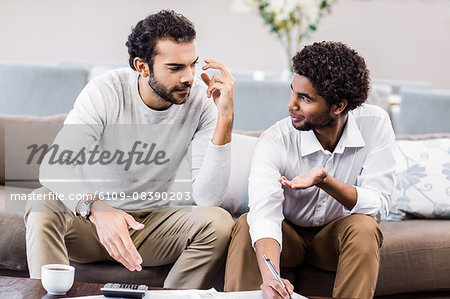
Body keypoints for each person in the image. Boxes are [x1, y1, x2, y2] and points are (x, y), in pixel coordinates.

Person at [25, 10, 235, 289]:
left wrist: (225, 120)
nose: (189, 77)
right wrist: (97, 209)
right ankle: (49, 295)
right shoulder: (105, 92)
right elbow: (53, 167)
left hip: (151, 226)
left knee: (218, 222)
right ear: (142, 66)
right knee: (42, 203)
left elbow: (208, 198)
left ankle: (171, 298)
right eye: (175, 68)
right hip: (90, 227)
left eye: (192, 65)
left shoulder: (201, 99)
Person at [224, 41, 395, 299]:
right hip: (288, 235)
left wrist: (326, 181)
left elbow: (379, 205)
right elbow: (265, 214)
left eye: (304, 98)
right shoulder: (275, 139)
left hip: (333, 238)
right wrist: (270, 277)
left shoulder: (375, 123)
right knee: (247, 223)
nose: (291, 104)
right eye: (293, 92)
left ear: (338, 106)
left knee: (365, 227)